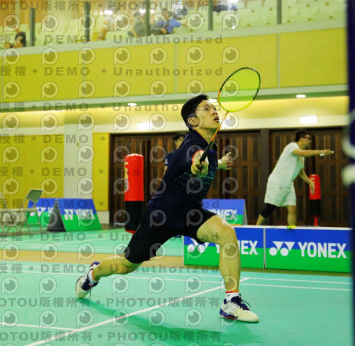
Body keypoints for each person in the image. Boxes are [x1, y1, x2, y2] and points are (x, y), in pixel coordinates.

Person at [76, 94, 259, 323]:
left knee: (227, 233)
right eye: (206, 108)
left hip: (190, 213)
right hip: (161, 216)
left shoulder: (208, 147)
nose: (214, 111)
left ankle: (231, 302)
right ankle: (92, 274)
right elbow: (196, 159)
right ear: (193, 121)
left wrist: (219, 163)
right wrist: (198, 165)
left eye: (214, 107)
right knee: (125, 265)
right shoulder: (192, 145)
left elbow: (206, 160)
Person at [256, 130, 333, 227]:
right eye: (308, 139)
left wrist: (309, 182)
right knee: (270, 208)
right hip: (278, 182)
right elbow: (302, 153)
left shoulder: (301, 156)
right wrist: (321, 152)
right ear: (302, 139)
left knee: (292, 208)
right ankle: (256, 228)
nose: (310, 141)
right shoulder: (292, 146)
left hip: (289, 183)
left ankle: (292, 230)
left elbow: (300, 171)